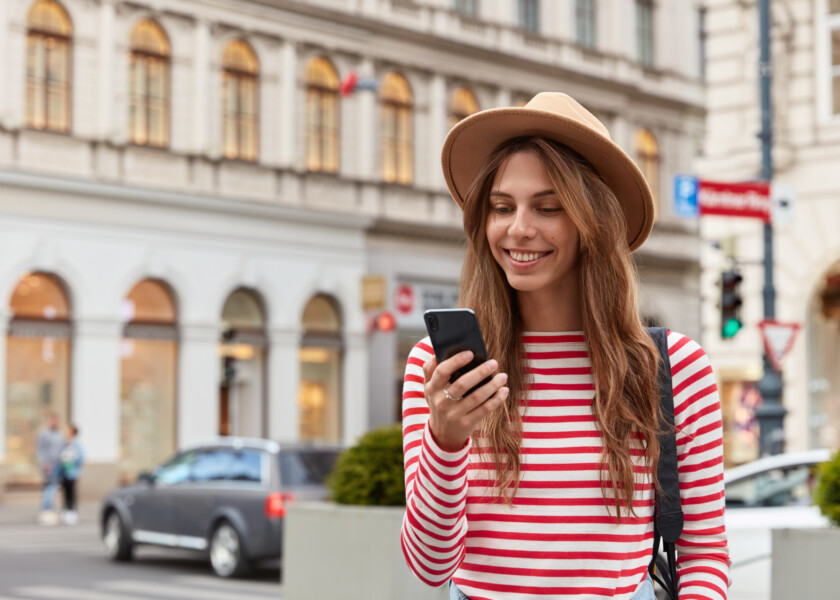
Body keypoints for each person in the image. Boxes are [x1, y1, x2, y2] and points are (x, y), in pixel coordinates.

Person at [401, 93, 730, 600]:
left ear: (592, 221)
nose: (518, 229)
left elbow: (704, 552)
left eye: (549, 207)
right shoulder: (440, 365)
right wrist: (445, 440)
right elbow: (428, 566)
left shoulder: (673, 367)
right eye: (501, 207)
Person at [36, 413, 64, 525]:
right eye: (53, 421)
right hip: (48, 465)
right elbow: (40, 450)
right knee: (49, 487)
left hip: (58, 465)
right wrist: (44, 463)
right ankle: (46, 510)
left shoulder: (59, 435)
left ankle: (49, 509)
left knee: (54, 487)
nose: (54, 423)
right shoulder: (43, 434)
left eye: (56, 421)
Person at [59, 424, 83, 525]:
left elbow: (80, 457)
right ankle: (65, 511)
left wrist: (71, 460)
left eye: (69, 431)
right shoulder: (64, 443)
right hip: (64, 472)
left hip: (72, 472)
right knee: (65, 492)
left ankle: (72, 512)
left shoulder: (77, 444)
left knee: (71, 493)